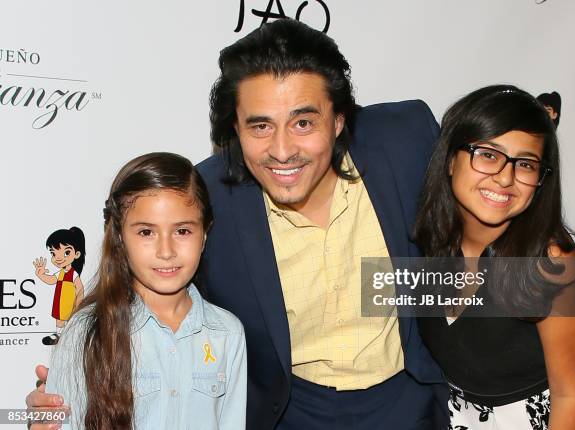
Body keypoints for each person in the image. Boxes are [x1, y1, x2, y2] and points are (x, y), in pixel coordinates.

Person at [27, 19, 448, 429]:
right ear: (235, 129)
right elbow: (151, 293)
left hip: (409, 397)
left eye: (303, 122)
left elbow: (480, 262)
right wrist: (76, 379)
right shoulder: (209, 196)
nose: (282, 151)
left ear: (338, 121)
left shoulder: (406, 141)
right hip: (288, 411)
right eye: (260, 126)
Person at [414, 85, 575, 429]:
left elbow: (570, 395)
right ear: (451, 159)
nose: (504, 177)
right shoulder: (427, 239)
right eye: (487, 154)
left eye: (525, 164)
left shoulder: (552, 262)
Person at [44, 152, 247, 429]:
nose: (166, 251)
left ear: (205, 234)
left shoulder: (228, 333)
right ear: (119, 237)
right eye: (146, 232)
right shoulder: (85, 331)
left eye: (183, 231)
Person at [33, 227, 86, 345]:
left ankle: (69, 336)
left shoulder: (73, 274)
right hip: (60, 302)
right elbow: (51, 280)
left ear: (76, 254)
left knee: (69, 321)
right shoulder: (61, 273)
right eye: (53, 253)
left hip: (70, 304)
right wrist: (40, 274)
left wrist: (78, 305)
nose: (58, 258)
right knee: (59, 319)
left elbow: (80, 289)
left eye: (66, 252)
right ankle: (58, 335)